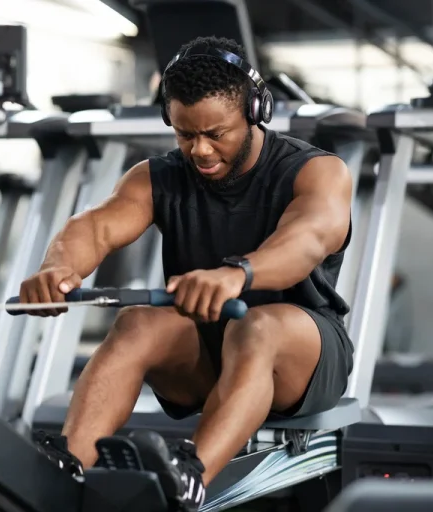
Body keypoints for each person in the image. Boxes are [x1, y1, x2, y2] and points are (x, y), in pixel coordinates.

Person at [19, 36, 354, 511]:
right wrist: (57, 269)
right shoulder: (157, 177)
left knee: (257, 326)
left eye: (216, 133)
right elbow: (95, 228)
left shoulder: (317, 172)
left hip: (299, 356)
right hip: (208, 354)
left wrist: (238, 273)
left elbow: (304, 242)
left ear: (255, 113)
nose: (199, 149)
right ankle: (70, 471)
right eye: (184, 133)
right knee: (135, 322)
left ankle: (189, 477)